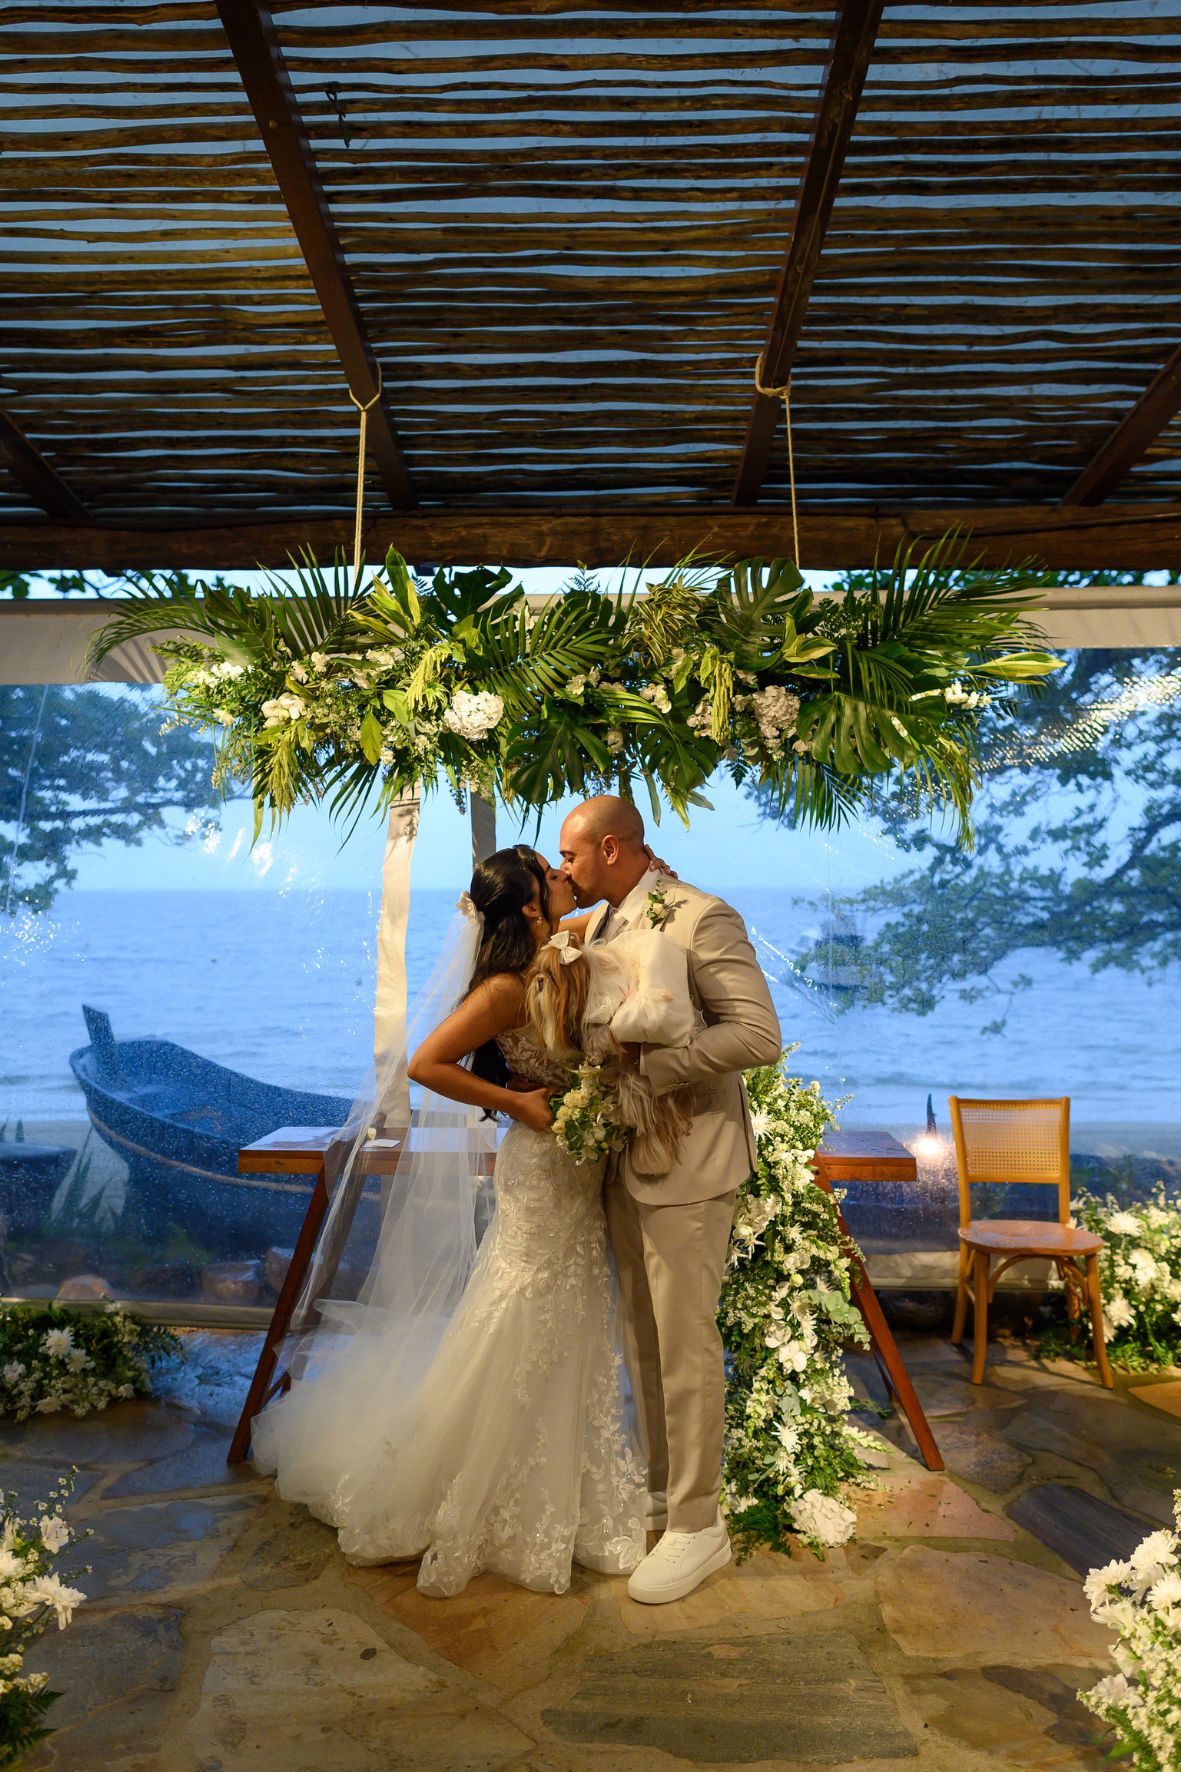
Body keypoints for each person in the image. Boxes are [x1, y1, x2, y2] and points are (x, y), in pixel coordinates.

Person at [251, 843, 646, 1597]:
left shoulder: (556, 954)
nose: (567, 878)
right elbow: (426, 1064)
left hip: (575, 1167)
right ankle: (475, 1492)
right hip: (539, 1166)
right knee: (522, 1312)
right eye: (552, 874)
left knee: (570, 1318)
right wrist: (516, 1103)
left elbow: (614, 913)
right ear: (530, 903)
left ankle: (564, 1491)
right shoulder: (503, 987)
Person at [558, 795, 782, 1605]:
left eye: (573, 857)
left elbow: (757, 1034)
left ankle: (698, 1524)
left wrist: (647, 1072)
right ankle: (660, 1497)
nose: (566, 871)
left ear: (612, 849)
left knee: (683, 1348)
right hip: (625, 1158)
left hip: (688, 1160)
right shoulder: (607, 921)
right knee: (642, 1340)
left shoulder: (700, 916)